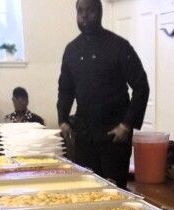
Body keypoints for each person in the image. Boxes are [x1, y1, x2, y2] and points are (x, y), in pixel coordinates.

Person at [57, 0, 150, 189]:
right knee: (86, 190)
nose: (84, 16)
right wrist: (63, 119)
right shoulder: (71, 50)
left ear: (99, 12)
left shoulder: (119, 46)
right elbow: (65, 89)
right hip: (84, 134)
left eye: (89, 11)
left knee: (115, 192)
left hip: (114, 135)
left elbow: (141, 86)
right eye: (80, 11)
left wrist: (127, 124)